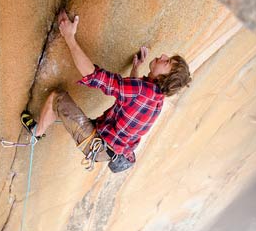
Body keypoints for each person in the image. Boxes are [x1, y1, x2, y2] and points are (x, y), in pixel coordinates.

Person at [21, 10, 191, 173]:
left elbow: (94, 76)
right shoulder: (157, 98)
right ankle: (44, 124)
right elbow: (132, 99)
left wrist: (69, 37)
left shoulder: (143, 90)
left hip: (96, 143)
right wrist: (135, 67)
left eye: (166, 61)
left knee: (57, 98)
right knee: (59, 106)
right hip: (108, 149)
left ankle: (36, 133)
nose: (162, 55)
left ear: (164, 78)